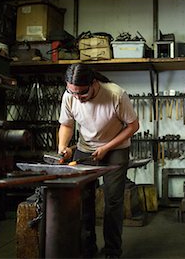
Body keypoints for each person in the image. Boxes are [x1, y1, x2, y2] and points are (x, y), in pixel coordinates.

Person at [58, 63, 139, 258]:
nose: (77, 98)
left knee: (113, 200)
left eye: (82, 93)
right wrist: (63, 146)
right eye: (73, 92)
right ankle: (87, 247)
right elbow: (67, 124)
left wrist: (107, 147)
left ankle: (112, 250)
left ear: (94, 83)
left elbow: (133, 125)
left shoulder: (115, 95)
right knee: (83, 199)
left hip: (115, 149)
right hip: (85, 149)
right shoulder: (70, 96)